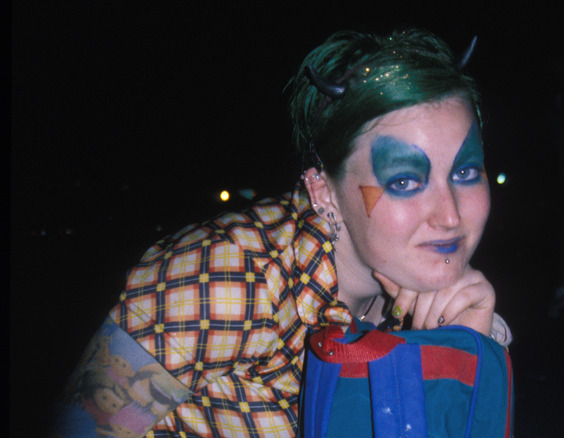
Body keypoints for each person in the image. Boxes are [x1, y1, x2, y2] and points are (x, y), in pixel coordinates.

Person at [52, 28, 512, 437]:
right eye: (404, 182)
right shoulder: (225, 277)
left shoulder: (421, 293)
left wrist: (461, 352)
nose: (449, 215)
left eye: (466, 172)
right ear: (323, 191)